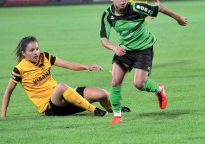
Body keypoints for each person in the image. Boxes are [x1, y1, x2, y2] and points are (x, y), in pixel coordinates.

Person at [100, 0, 188, 124]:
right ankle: (117, 115)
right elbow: (104, 39)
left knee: (139, 84)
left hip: (143, 49)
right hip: (124, 50)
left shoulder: (136, 7)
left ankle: (159, 89)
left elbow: (159, 8)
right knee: (115, 81)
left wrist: (178, 18)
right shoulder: (108, 15)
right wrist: (114, 48)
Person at [1, 36, 129, 118]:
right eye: (32, 50)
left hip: (64, 97)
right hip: (50, 107)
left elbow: (68, 64)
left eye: (37, 49)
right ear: (23, 53)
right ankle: (94, 110)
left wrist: (87, 66)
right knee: (61, 86)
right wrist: (3, 116)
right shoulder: (19, 69)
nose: (36, 52)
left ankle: (114, 109)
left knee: (103, 94)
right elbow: (8, 92)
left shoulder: (44, 57)